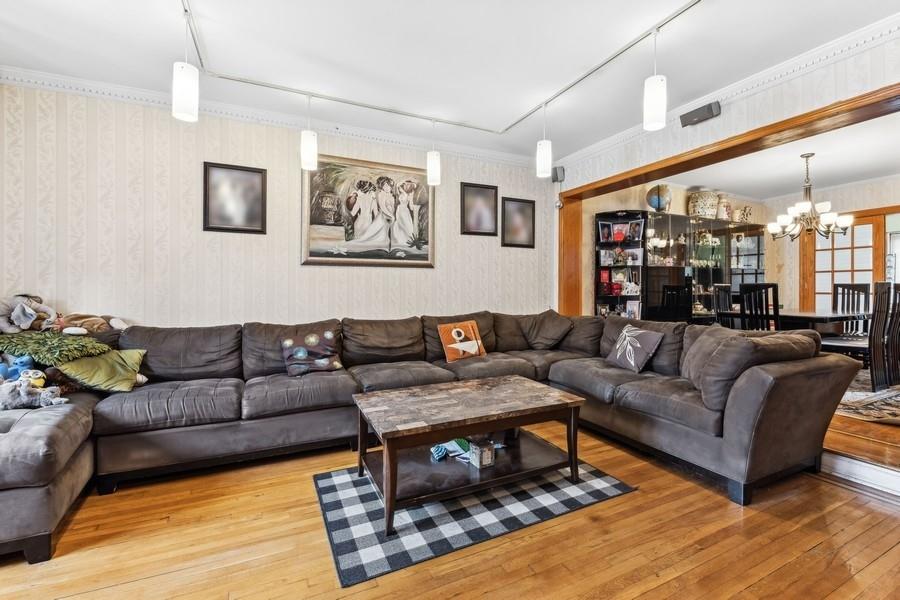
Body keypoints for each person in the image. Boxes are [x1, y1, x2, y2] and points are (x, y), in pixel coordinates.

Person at [391, 180, 418, 249]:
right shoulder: (401, 194)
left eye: (400, 188)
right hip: (399, 209)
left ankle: (407, 240)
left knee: (405, 224)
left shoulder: (408, 195)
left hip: (404, 210)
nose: (399, 189)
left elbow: (411, 207)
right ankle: (399, 240)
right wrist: (402, 182)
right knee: (399, 224)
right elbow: (397, 186)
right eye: (405, 185)